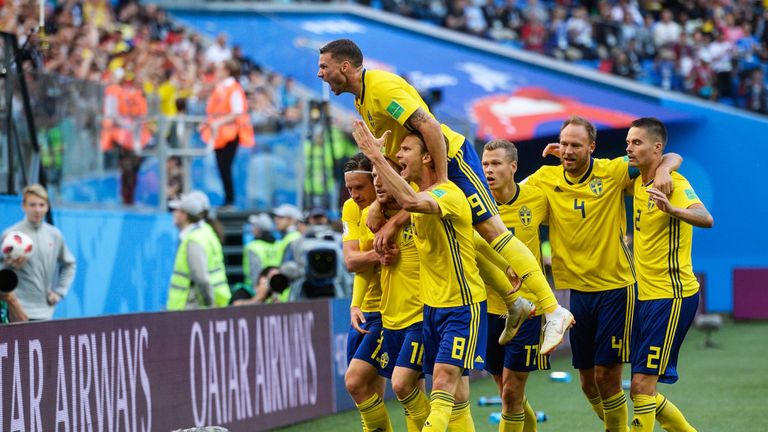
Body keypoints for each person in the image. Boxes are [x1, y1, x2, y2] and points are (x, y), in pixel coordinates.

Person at [317, 38, 571, 353]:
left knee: (493, 231)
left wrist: (441, 180)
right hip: (424, 169)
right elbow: (396, 151)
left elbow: (430, 127)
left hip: (450, 158)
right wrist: (383, 202)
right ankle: (515, 302)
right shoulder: (362, 100)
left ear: (344, 66)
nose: (319, 74)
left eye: (323, 67)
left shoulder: (381, 87)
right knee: (468, 235)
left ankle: (553, 310)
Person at [526, 115, 681, 432]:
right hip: (576, 293)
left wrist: (664, 169)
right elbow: (510, 198)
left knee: (606, 376)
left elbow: (667, 155)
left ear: (591, 147)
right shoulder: (544, 178)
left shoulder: (613, 171)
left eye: (576, 145)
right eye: (565, 144)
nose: (569, 151)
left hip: (616, 288)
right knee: (587, 383)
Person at [354, 125, 488, 432]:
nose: (398, 154)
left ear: (428, 157)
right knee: (445, 391)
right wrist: (378, 205)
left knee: (442, 383)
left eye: (405, 150)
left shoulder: (448, 194)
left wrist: (375, 155)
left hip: (462, 305)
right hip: (431, 308)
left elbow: (414, 202)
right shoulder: (414, 201)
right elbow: (407, 203)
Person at [625, 117, 713, 432]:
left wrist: (673, 210)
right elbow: (673, 157)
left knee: (642, 384)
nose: (629, 149)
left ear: (656, 147)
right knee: (640, 387)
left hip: (672, 296)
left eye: (636, 143)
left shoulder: (674, 184)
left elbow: (706, 218)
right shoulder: (637, 181)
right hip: (646, 298)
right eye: (628, 142)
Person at [482, 140, 551, 432]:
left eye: (496, 164)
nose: (489, 170)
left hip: (528, 310)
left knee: (511, 393)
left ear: (513, 167)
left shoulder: (537, 199)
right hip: (489, 309)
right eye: (485, 164)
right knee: (508, 394)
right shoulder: (477, 205)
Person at [370, 161, 429, 431]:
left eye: (384, 176)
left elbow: (426, 195)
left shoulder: (421, 212)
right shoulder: (373, 218)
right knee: (411, 391)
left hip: (420, 316)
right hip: (390, 318)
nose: (378, 183)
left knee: (402, 384)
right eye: (374, 177)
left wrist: (394, 222)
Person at [340, 153, 390, 431]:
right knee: (370, 392)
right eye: (350, 188)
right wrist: (355, 305)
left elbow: (360, 258)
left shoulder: (394, 208)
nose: (354, 194)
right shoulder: (350, 208)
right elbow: (351, 261)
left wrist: (367, 256)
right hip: (364, 309)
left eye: (360, 187)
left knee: (355, 381)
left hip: (392, 311)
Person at [1, 184, 76, 321]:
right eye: (32, 205)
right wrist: (8, 267)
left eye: (42, 205)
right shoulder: (10, 236)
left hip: (45, 313)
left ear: (47, 207)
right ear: (23, 206)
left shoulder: (54, 235)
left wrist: (59, 292)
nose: (37, 210)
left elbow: (70, 264)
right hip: (17, 312)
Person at [199, 59, 254, 208]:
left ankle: (230, 200)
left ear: (227, 71)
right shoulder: (220, 88)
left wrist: (218, 122)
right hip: (219, 134)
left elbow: (237, 112)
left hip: (230, 133)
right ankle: (227, 199)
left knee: (225, 166)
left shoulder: (234, 88)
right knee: (221, 166)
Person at [167, 191, 231, 310]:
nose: (173, 214)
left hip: (192, 307)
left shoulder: (194, 240)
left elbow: (201, 278)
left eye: (176, 210)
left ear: (184, 215)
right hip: (213, 302)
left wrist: (209, 305)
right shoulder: (207, 232)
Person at [242, 213, 279, 296]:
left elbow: (255, 274)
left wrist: (258, 295)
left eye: (254, 226)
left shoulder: (253, 247)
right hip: (277, 290)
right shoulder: (278, 245)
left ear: (259, 230)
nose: (252, 229)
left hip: (258, 292)